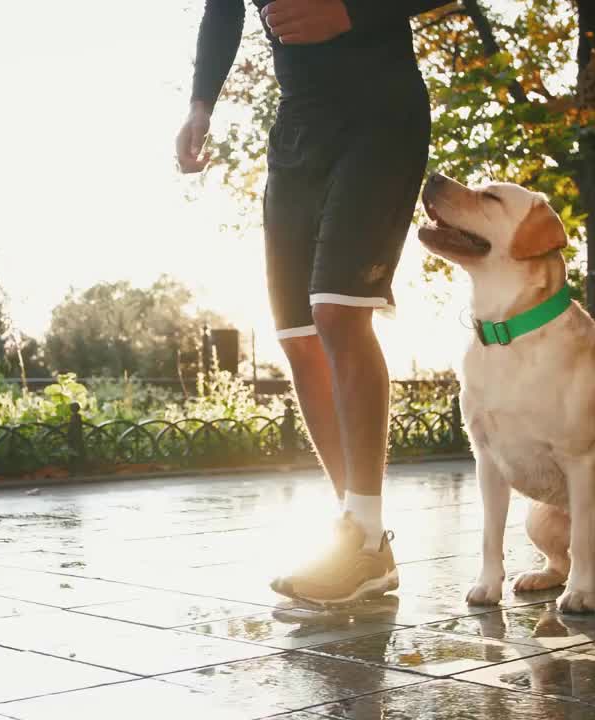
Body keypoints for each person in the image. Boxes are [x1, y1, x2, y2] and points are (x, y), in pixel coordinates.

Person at [176, 0, 446, 605]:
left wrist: (352, 12)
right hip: (299, 127)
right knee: (299, 337)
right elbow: (222, 10)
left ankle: (367, 541)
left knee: (337, 311)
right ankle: (358, 537)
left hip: (380, 114)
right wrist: (201, 103)